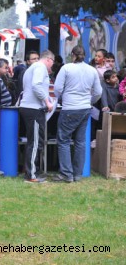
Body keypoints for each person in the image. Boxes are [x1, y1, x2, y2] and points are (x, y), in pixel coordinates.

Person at [53, 45, 102, 183]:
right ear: (85, 56)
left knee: (63, 141)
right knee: (80, 142)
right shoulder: (92, 70)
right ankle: (77, 174)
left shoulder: (66, 68)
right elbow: (98, 92)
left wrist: (61, 97)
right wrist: (90, 101)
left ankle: (66, 173)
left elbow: (57, 88)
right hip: (85, 108)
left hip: (69, 107)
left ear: (72, 55)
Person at [19, 50, 55, 183]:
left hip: (29, 107)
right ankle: (31, 175)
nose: (51, 66)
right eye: (52, 63)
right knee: (34, 143)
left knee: (33, 142)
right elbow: (36, 85)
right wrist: (47, 101)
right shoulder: (40, 67)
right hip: (34, 109)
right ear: (49, 60)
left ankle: (32, 171)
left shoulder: (32, 68)